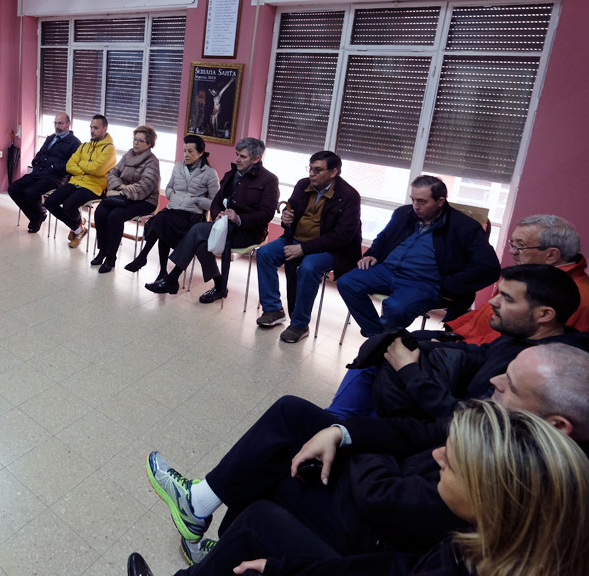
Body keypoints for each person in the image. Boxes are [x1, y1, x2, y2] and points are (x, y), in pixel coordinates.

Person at [130, 342, 589, 575]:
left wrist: (360, 443)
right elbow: (422, 430)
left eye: (509, 385)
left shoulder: (516, 485)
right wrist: (340, 430)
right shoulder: (510, 440)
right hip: (389, 512)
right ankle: (203, 516)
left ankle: (205, 522)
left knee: (270, 496)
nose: (495, 386)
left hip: (382, 520)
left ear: (556, 426)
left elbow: (388, 502)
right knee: (294, 430)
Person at [328, 264, 588, 419]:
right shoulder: (520, 338)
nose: (492, 302)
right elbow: (479, 352)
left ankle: (339, 423)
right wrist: (420, 344)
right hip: (443, 401)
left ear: (544, 315)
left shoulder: (537, 369)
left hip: (444, 428)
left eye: (507, 299)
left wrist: (409, 371)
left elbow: (467, 420)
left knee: (380, 363)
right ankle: (337, 420)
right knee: (388, 345)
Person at [337, 176, 500, 338]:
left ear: (440, 201)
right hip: (386, 271)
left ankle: (381, 340)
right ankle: (379, 336)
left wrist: (449, 285)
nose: (415, 206)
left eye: (422, 201)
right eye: (413, 200)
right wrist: (373, 253)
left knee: (396, 308)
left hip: (422, 282)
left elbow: (489, 267)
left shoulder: (465, 227)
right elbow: (384, 237)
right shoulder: (403, 213)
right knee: (347, 283)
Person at [145, 138, 278, 303]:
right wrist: (217, 215)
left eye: (242, 157)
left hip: (248, 232)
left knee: (198, 230)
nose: (237, 159)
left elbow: (267, 213)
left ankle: (172, 278)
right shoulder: (231, 175)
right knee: (201, 244)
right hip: (223, 226)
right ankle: (220, 286)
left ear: (256, 159)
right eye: (237, 154)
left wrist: (238, 218)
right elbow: (216, 201)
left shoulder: (269, 180)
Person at [255, 151, 362, 343]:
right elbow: (292, 210)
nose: (311, 173)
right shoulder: (303, 184)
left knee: (309, 267)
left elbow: (343, 236)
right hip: (295, 239)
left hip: (330, 249)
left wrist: (303, 249)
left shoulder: (349, 196)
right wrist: (287, 218)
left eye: (317, 170)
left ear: (333, 172)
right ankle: (273, 309)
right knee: (264, 253)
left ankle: (299, 324)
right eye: (310, 168)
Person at [445, 214, 589, 343]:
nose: (512, 252)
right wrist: (452, 332)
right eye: (512, 244)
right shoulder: (529, 276)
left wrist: (455, 345)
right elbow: (485, 312)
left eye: (520, 246)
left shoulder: (572, 295)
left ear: (551, 255)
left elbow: (510, 343)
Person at [125, 135, 219, 278]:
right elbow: (168, 189)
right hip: (173, 210)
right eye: (184, 151)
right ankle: (161, 270)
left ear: (200, 153)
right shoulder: (178, 167)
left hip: (192, 216)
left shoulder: (210, 173)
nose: (186, 155)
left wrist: (197, 199)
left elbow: (215, 203)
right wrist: (172, 195)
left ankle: (144, 258)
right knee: (162, 221)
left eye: (190, 151)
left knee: (161, 221)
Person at [89, 125, 161, 273]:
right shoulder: (128, 155)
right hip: (124, 195)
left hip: (145, 200)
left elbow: (145, 186)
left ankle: (110, 257)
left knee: (115, 216)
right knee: (101, 211)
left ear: (149, 144)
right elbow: (112, 173)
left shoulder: (152, 162)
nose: (136, 143)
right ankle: (102, 250)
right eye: (134, 139)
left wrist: (120, 193)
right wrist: (121, 188)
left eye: (140, 141)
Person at [43, 114, 117, 249]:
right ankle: (78, 227)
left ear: (104, 129)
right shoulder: (84, 146)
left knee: (68, 206)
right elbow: (69, 165)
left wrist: (81, 165)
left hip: (94, 186)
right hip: (76, 182)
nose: (92, 130)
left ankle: (77, 226)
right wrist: (86, 169)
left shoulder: (109, 149)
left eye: (96, 128)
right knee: (49, 202)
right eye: (91, 127)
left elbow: (98, 170)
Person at [8, 113, 81, 233]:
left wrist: (52, 166)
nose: (57, 126)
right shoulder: (51, 138)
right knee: (13, 188)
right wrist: (36, 161)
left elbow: (70, 166)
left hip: (55, 178)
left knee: (30, 192)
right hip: (39, 172)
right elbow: (40, 153)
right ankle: (37, 215)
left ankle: (38, 215)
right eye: (55, 123)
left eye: (60, 123)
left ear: (68, 124)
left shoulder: (75, 143)